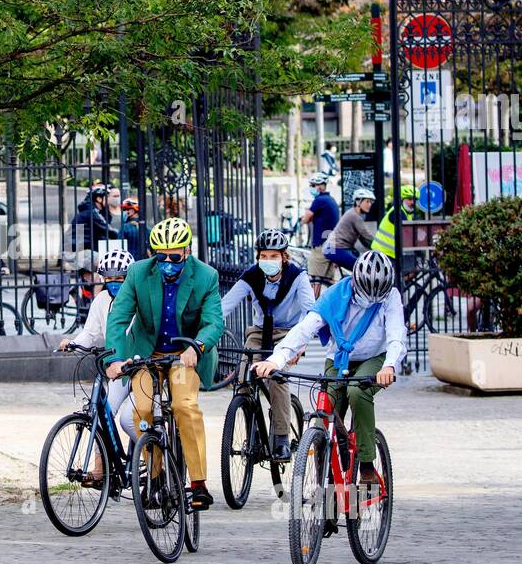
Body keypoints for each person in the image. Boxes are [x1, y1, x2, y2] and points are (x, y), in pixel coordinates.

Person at [253, 251, 404, 486]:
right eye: (366, 294)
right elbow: (305, 328)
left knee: (356, 391)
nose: (371, 300)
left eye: (377, 296)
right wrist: (276, 360)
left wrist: (390, 365)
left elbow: (396, 335)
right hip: (339, 359)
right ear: (354, 282)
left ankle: (366, 465)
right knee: (325, 414)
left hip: (375, 357)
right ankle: (328, 490)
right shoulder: (335, 295)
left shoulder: (390, 297)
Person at [105, 217, 224, 510]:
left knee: (185, 406)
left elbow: (214, 322)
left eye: (174, 256)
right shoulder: (137, 273)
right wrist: (115, 358)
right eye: (161, 257)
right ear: (152, 255)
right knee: (143, 411)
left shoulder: (206, 276)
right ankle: (156, 477)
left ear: (187, 251)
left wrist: (197, 346)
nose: (168, 262)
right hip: (147, 354)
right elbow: (118, 317)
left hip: (185, 355)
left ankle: (198, 484)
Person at [220, 229, 315, 462]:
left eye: (274, 256)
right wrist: (209, 332)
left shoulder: (298, 277)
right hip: (258, 333)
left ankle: (282, 438)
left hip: (288, 333)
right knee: (242, 377)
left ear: (284, 257)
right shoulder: (251, 276)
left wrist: (299, 347)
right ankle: (250, 422)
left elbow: (310, 313)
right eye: (264, 255)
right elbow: (225, 305)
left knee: (276, 379)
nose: (268, 261)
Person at [57, 249, 139, 483]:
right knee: (102, 412)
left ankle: (156, 461)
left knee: (130, 420)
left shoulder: (139, 298)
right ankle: (101, 470)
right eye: (109, 279)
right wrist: (72, 343)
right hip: (117, 370)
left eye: (119, 279)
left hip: (142, 368)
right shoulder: (101, 301)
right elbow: (90, 333)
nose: (114, 284)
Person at [301, 173, 341, 296]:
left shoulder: (319, 200)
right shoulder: (330, 200)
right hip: (330, 243)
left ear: (320, 187)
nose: (311, 188)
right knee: (328, 280)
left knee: (314, 279)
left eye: (313, 185)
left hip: (321, 246)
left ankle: (313, 309)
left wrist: (302, 219)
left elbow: (305, 219)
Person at [323, 187, 376, 271]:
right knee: (360, 269)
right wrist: (380, 247)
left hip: (335, 249)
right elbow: (366, 235)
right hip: (336, 249)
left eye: (371, 202)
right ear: (358, 202)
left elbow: (363, 239)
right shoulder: (354, 216)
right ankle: (350, 283)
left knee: (359, 259)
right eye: (367, 201)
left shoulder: (353, 213)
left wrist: (372, 248)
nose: (370, 204)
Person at [70, 183, 118, 252]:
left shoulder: (91, 210)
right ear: (99, 199)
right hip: (80, 251)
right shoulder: (92, 212)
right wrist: (122, 235)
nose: (108, 200)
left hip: (81, 248)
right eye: (106, 197)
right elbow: (108, 230)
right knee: (104, 260)